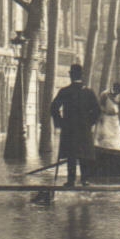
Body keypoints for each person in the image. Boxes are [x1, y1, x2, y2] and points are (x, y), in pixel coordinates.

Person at [38, 63, 99, 201]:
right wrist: (90, 122)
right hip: (84, 129)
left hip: (69, 129)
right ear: (81, 76)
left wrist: (60, 122)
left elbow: (53, 108)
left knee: (72, 155)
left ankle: (71, 180)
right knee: (84, 155)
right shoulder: (88, 92)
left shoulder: (65, 92)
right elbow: (97, 111)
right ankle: (85, 180)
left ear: (71, 76)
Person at [95, 83, 120, 150]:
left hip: (115, 118)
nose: (117, 93)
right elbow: (100, 106)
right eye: (116, 91)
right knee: (106, 134)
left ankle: (116, 149)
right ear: (113, 89)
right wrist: (101, 116)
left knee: (116, 135)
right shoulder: (105, 94)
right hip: (106, 117)